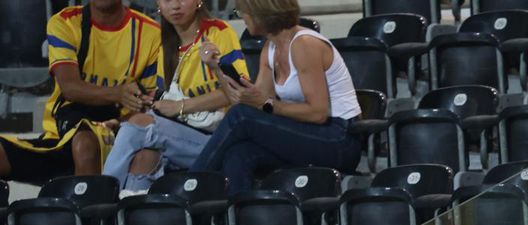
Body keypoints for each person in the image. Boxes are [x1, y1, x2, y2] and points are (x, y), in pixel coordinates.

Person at [191, 0, 362, 195]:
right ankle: (238, 219)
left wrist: (266, 104)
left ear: (261, 13)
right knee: (239, 154)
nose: (242, 17)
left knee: (241, 117)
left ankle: (189, 191)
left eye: (243, 12)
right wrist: (216, 68)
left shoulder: (304, 44)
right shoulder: (270, 48)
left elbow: (318, 113)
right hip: (307, 133)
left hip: (339, 139)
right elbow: (247, 102)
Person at [0, 0, 161, 183]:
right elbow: (70, 88)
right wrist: (118, 93)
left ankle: (90, 208)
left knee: (85, 143)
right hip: (63, 132)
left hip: (119, 129)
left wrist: (120, 120)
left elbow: (148, 103)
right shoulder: (65, 22)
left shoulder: (151, 33)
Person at [103, 0, 248, 193]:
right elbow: (165, 99)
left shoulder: (218, 32)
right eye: (167, 0)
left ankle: (102, 194)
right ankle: (130, 215)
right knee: (144, 158)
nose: (175, 6)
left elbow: (237, 91)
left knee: (138, 125)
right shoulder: (165, 45)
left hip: (218, 138)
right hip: (182, 134)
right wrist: (127, 118)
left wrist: (181, 106)